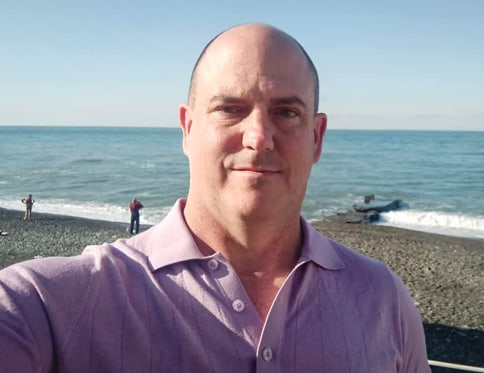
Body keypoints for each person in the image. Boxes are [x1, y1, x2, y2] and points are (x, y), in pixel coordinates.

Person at [0, 24, 430, 372]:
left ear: (316, 138)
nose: (259, 137)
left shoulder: (383, 300)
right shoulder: (53, 303)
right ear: (187, 128)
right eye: (229, 109)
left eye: (287, 112)